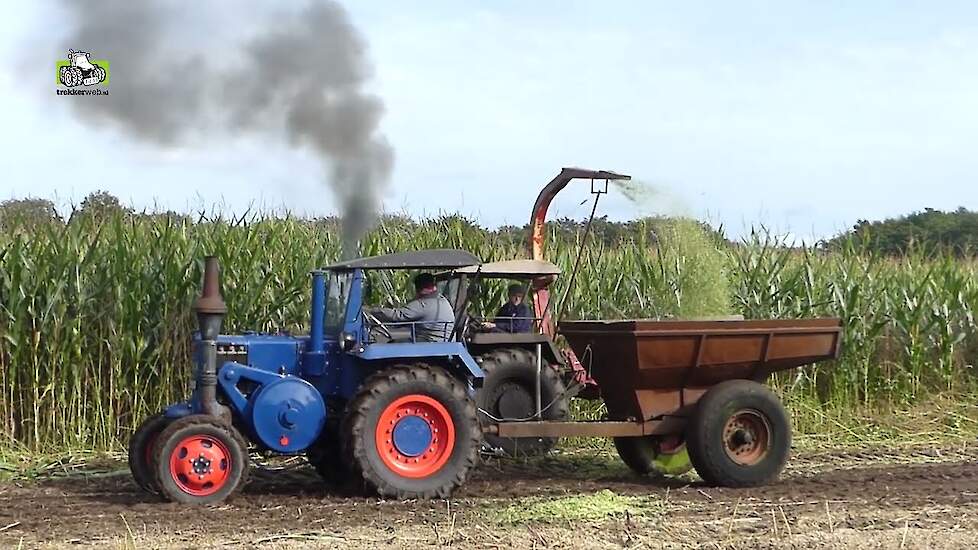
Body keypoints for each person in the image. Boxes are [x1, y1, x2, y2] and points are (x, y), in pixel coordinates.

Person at [370, 273, 455, 342]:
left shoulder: (424, 304)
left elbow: (397, 315)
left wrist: (372, 311)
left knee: (393, 344)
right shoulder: (442, 300)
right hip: (441, 340)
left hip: (430, 342)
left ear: (418, 287)